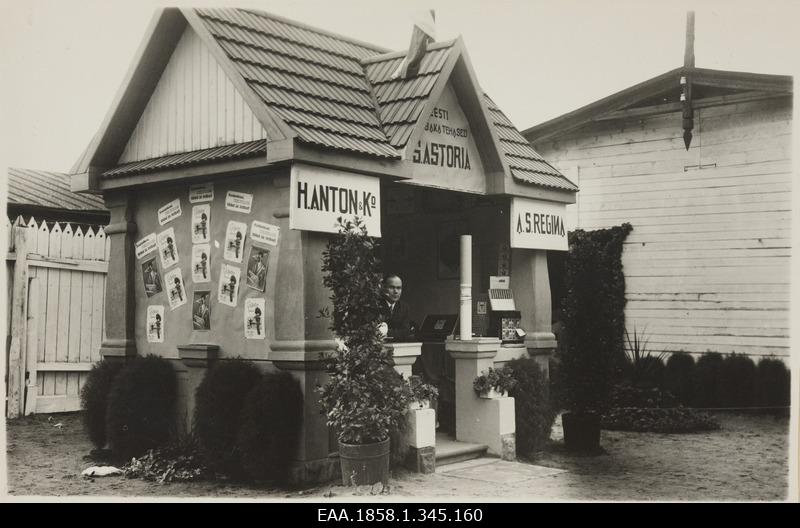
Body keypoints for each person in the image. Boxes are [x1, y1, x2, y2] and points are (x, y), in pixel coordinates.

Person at [378, 273, 414, 341]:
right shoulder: (376, 305)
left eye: (399, 288)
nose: (396, 291)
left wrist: (386, 332)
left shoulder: (404, 307)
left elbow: (406, 331)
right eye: (392, 287)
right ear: (384, 288)